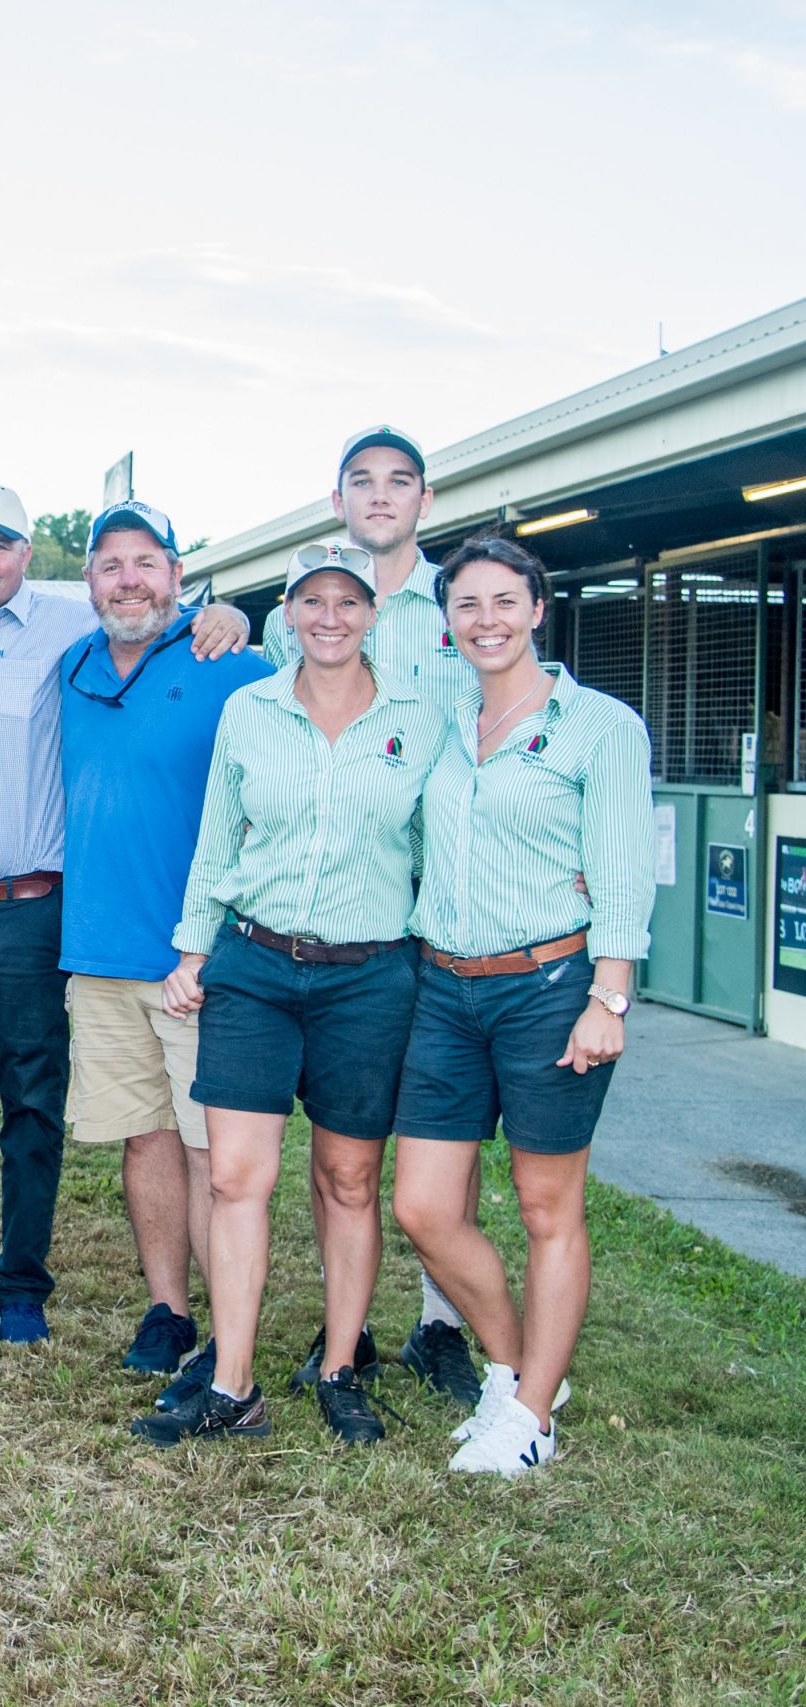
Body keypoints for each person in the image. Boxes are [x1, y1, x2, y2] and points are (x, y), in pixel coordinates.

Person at [0, 483, 247, 1343]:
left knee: (32, 1103)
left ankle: (22, 1285)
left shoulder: (74, 627)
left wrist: (233, 615)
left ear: (33, 557)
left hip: (30, 911)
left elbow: (166, 616)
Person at [134, 541, 449, 1449]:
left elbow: (440, 843)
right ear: (289, 614)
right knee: (237, 1177)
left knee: (348, 1179)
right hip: (257, 967)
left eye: (348, 601)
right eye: (312, 601)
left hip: (370, 975)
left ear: (371, 615)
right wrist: (193, 949)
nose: (330, 617)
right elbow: (215, 842)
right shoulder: (249, 710)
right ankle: (233, 1385)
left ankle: (342, 1367)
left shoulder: (417, 722)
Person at [391, 535, 654, 1474]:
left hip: (551, 990)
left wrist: (609, 999)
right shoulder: (439, 722)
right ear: (447, 619)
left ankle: (533, 1417)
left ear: (539, 609)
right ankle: (514, 1367)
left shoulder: (600, 728)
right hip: (444, 989)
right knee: (423, 1206)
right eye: (468, 604)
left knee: (548, 1208)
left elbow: (625, 875)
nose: (487, 620)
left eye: (506, 600)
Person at [265, 426, 484, 1404]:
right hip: (346, 921)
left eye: (400, 481)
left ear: (424, 499)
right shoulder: (306, 613)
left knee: (444, 1129)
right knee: (343, 1142)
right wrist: (223, 619)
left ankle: (442, 1324)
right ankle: (341, 1320)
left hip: (450, 914)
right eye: (363, 481)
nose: (381, 495)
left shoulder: (464, 605)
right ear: (337, 497)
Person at [56, 502, 271, 1379]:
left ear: (179, 575)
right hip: (98, 955)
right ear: (90, 581)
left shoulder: (233, 664)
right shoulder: (70, 665)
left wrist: (242, 612)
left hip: (198, 960)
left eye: (147, 561)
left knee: (212, 1150)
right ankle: (167, 1310)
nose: (129, 578)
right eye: (111, 564)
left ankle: (232, 1328)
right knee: (143, 1136)